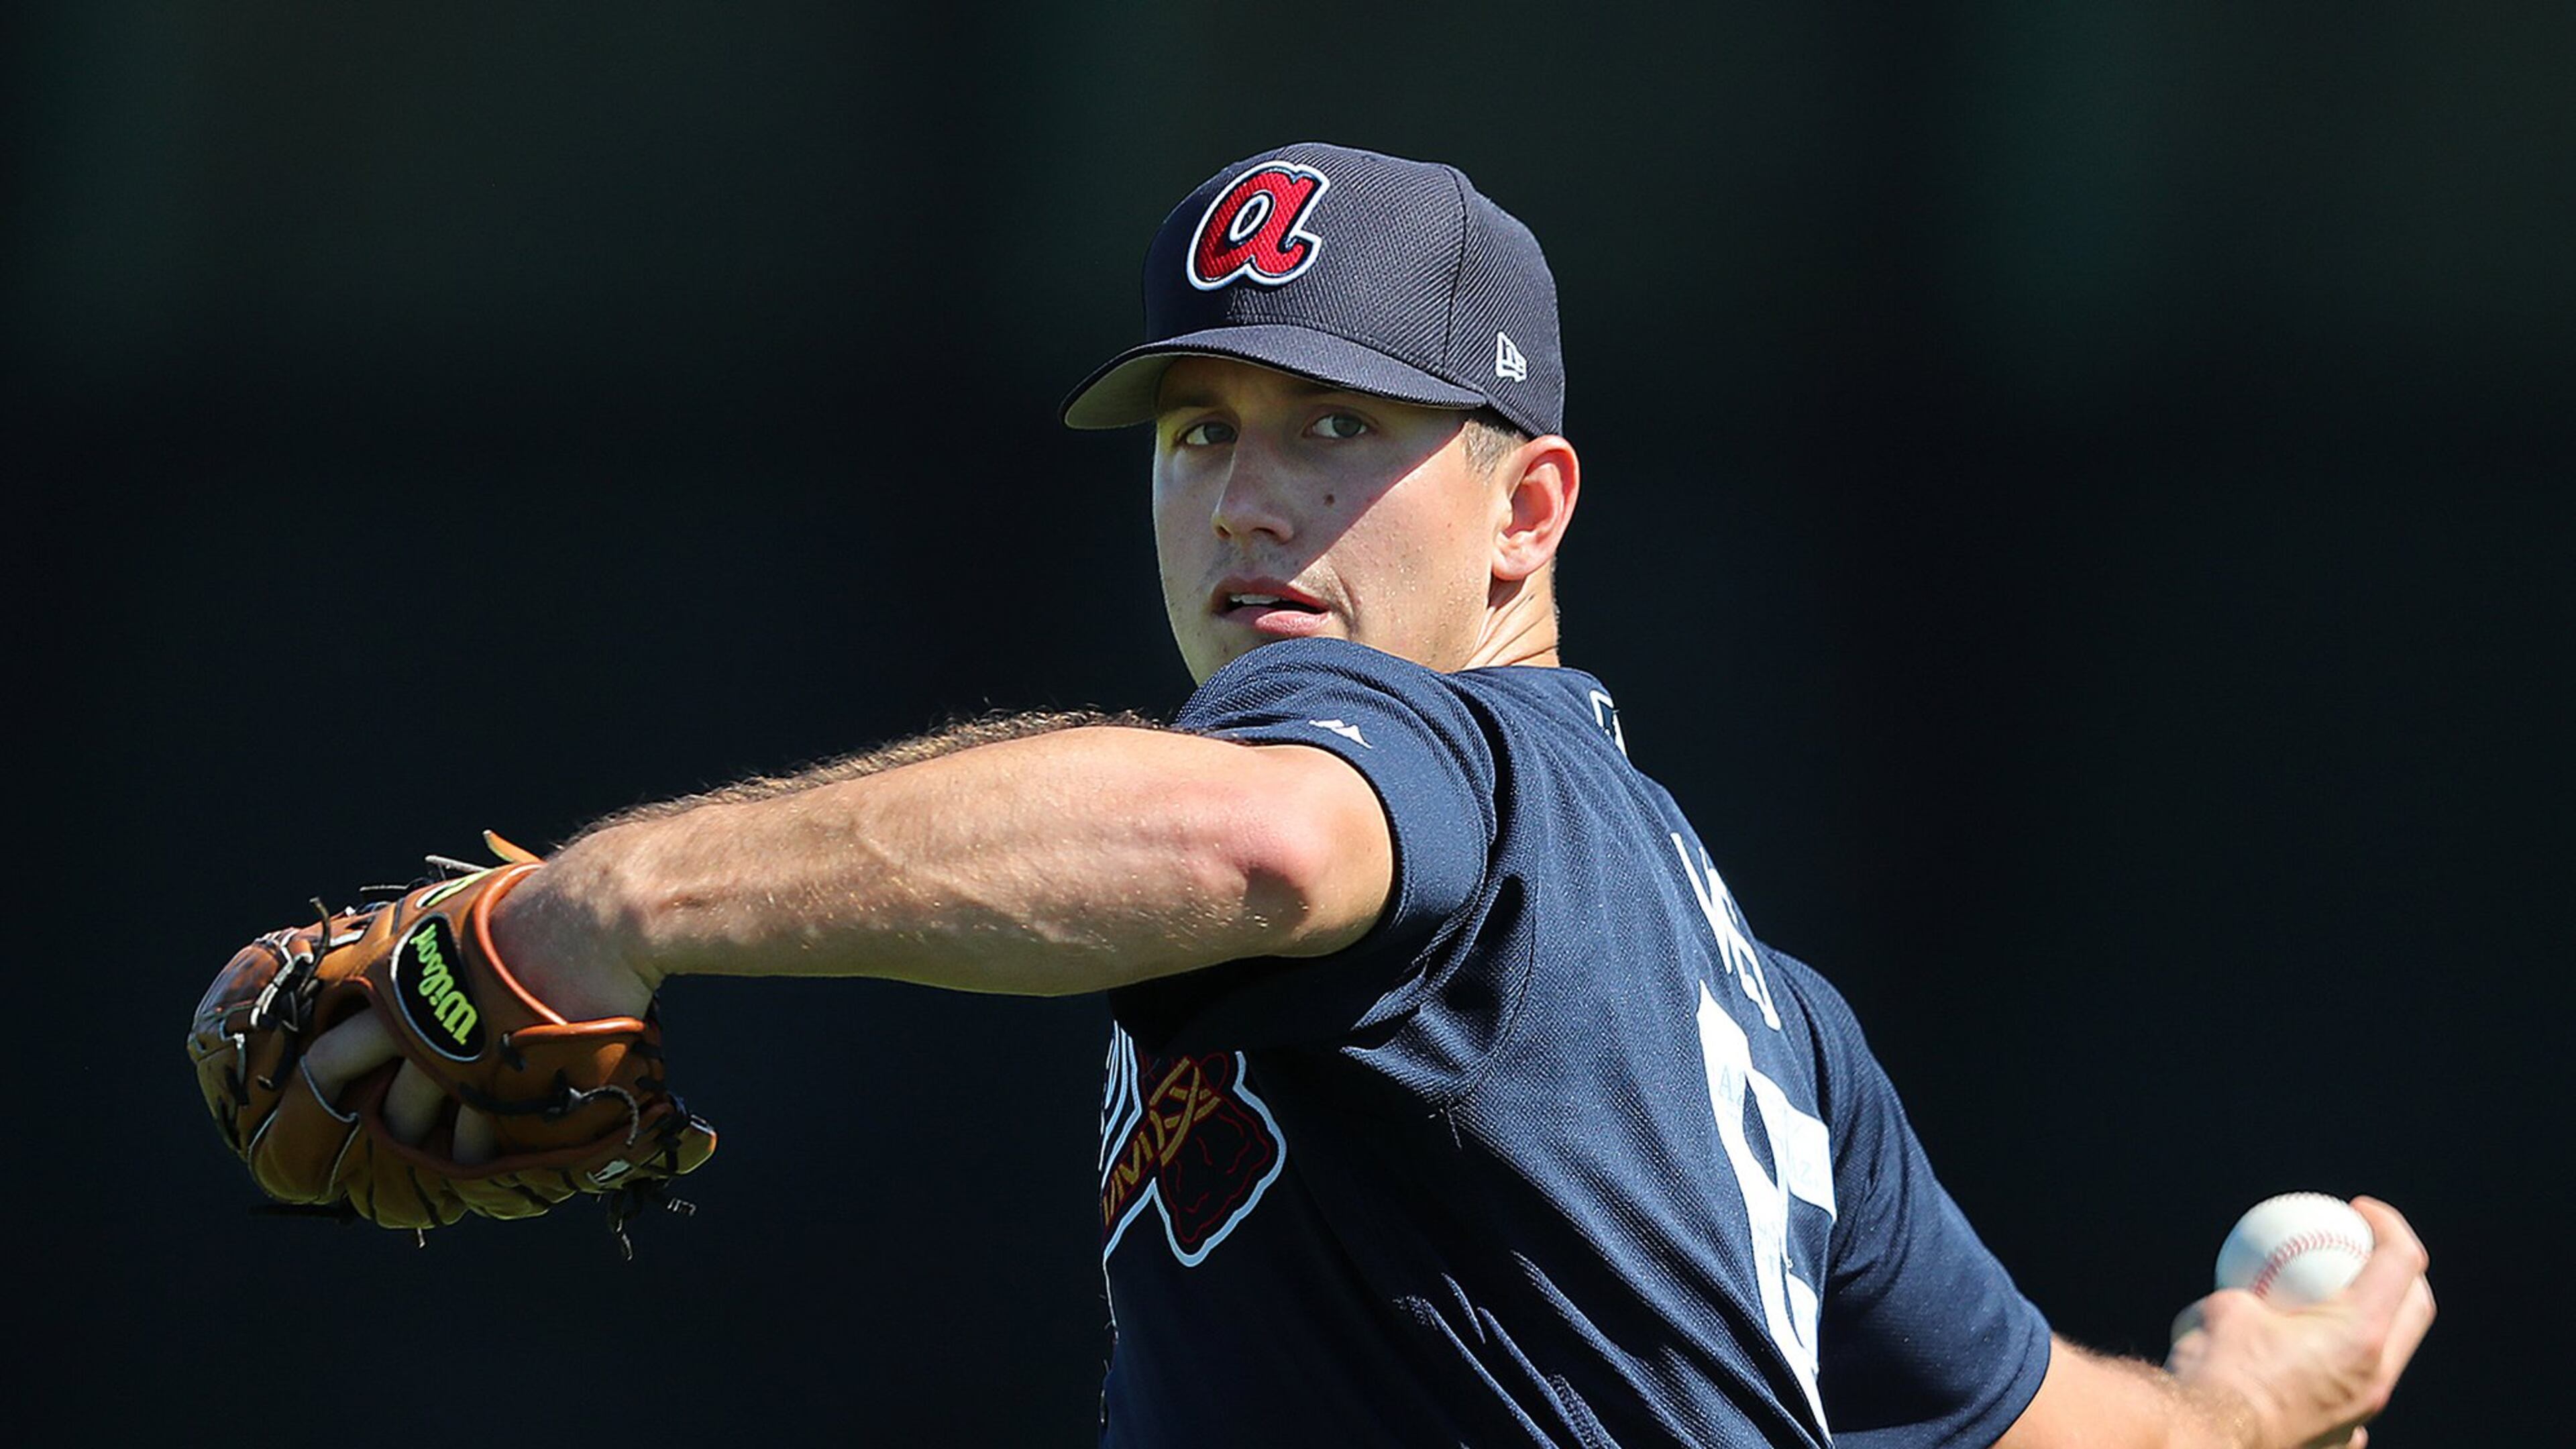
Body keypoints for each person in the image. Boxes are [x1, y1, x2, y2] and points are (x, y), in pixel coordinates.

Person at [289, 142, 2433, 1446]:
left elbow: (1264, 835)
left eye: (1336, 424)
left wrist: (612, 900)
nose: (1248, 498)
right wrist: (2247, 1402)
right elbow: (2039, 1425)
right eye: (1200, 429)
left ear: (1531, 514)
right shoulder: (1768, 1033)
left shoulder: (1435, 755)